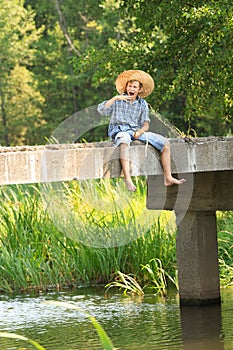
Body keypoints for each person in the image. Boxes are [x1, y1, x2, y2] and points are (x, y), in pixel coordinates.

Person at [97, 69, 186, 192]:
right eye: (129, 86)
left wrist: (139, 132)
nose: (131, 89)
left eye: (134, 87)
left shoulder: (143, 104)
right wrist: (114, 99)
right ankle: (128, 179)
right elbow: (101, 110)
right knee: (124, 140)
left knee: (165, 143)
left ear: (139, 90)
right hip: (120, 130)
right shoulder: (118, 100)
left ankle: (168, 177)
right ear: (126, 88)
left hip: (136, 131)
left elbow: (145, 125)